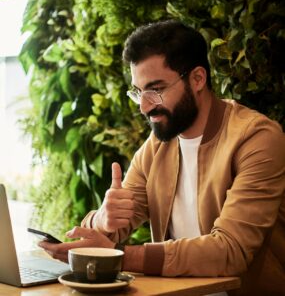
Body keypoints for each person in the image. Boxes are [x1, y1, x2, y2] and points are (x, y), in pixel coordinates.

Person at [39, 20, 285, 296]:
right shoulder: (158, 145)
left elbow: (230, 251)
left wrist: (120, 255)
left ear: (197, 79)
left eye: (156, 90)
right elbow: (108, 233)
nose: (145, 106)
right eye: (138, 92)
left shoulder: (256, 138)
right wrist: (104, 220)